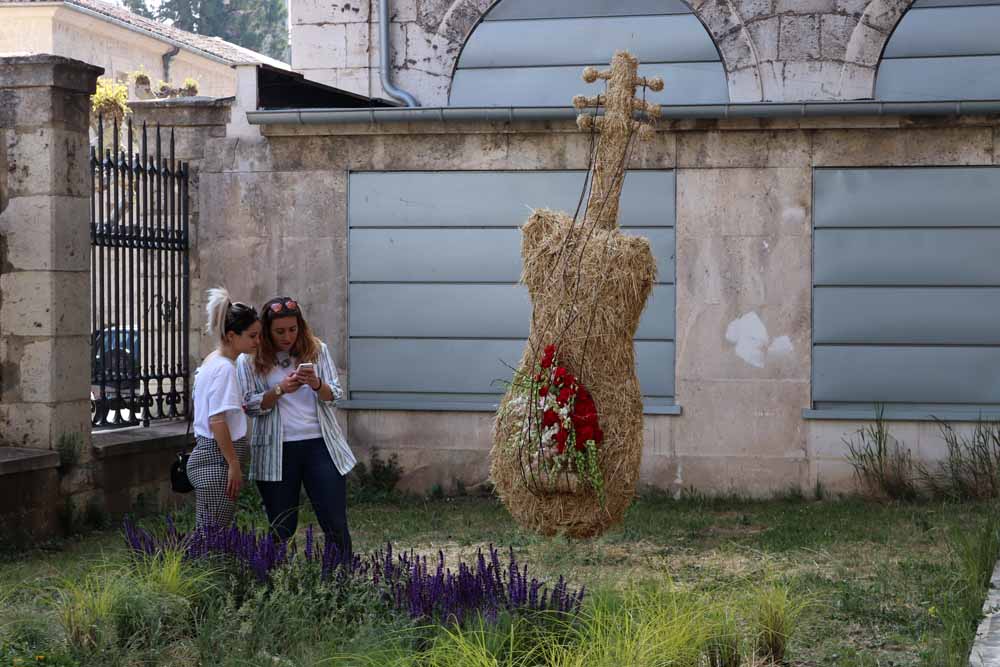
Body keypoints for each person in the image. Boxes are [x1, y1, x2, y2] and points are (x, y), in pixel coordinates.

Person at [237, 296, 356, 557]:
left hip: (320, 445)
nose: (287, 336)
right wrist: (279, 390)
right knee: (282, 526)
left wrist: (315, 383)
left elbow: (334, 396)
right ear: (267, 331)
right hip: (276, 448)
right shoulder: (249, 360)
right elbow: (249, 406)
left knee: (334, 521)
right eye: (279, 331)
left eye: (293, 329)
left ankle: (341, 582)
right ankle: (271, 581)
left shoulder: (317, 349)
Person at [187, 287, 261, 529]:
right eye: (252, 336)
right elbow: (217, 420)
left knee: (209, 532)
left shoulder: (212, 360)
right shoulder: (225, 368)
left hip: (210, 455)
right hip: (217, 459)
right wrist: (233, 463)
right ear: (231, 335)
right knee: (213, 536)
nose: (257, 341)